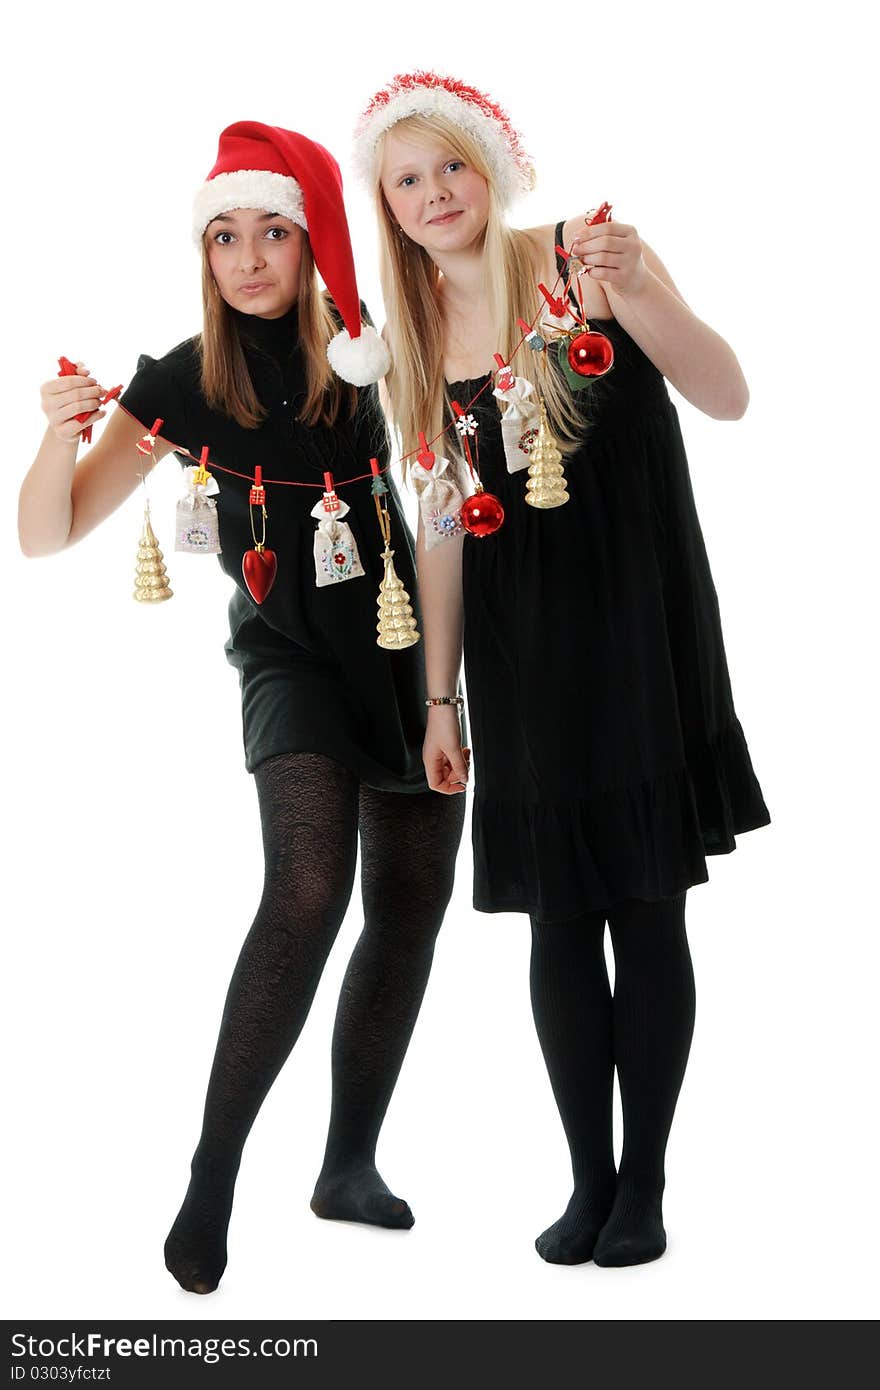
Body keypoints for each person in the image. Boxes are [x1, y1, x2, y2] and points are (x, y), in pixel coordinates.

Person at [17, 120, 465, 1295]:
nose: (251, 255)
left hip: (419, 658)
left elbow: (449, 515)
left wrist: (449, 691)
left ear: (312, 242)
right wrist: (55, 437)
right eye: (226, 236)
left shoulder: (382, 355)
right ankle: (211, 1178)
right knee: (307, 890)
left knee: (410, 909)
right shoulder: (180, 382)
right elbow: (47, 534)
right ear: (204, 257)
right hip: (289, 665)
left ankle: (347, 1164)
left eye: (274, 230)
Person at [354, 72, 770, 1267]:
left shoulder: (586, 260)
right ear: (385, 203)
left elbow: (726, 395)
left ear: (491, 166)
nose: (436, 194)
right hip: (522, 651)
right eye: (407, 179)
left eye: (451, 167)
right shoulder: (413, 335)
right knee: (555, 919)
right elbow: (438, 526)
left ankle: (644, 1183)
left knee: (645, 903)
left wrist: (639, 289)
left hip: (640, 621)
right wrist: (441, 695)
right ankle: (585, 1179)